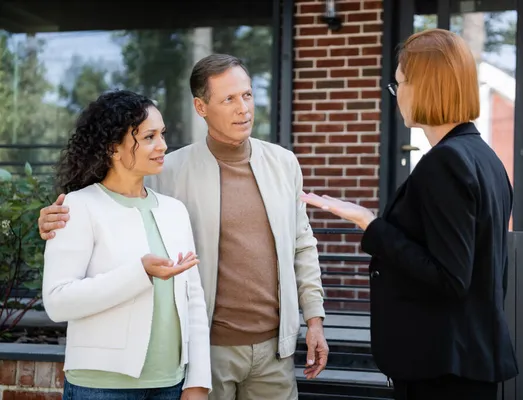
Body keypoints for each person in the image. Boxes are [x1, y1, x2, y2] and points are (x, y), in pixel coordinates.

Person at [38, 54, 328, 400]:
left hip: (271, 351)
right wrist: (54, 221)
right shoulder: (167, 171)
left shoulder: (283, 164)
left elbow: (301, 243)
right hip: (202, 349)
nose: (244, 109)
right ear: (201, 107)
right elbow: (113, 203)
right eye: (229, 99)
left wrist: (314, 318)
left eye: (247, 95)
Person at [301, 29, 518, 400]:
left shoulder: (446, 163)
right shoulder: (483, 157)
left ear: (425, 87)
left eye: (399, 83)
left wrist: (370, 225)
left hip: (442, 368)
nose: (395, 94)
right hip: (464, 359)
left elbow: (451, 276)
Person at [41, 90, 212, 400]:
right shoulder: (78, 207)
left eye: (162, 134)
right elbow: (57, 301)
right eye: (149, 137)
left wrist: (197, 380)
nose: (162, 145)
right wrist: (140, 274)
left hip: (170, 384)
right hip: (101, 386)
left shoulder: (175, 210)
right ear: (114, 149)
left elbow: (193, 300)